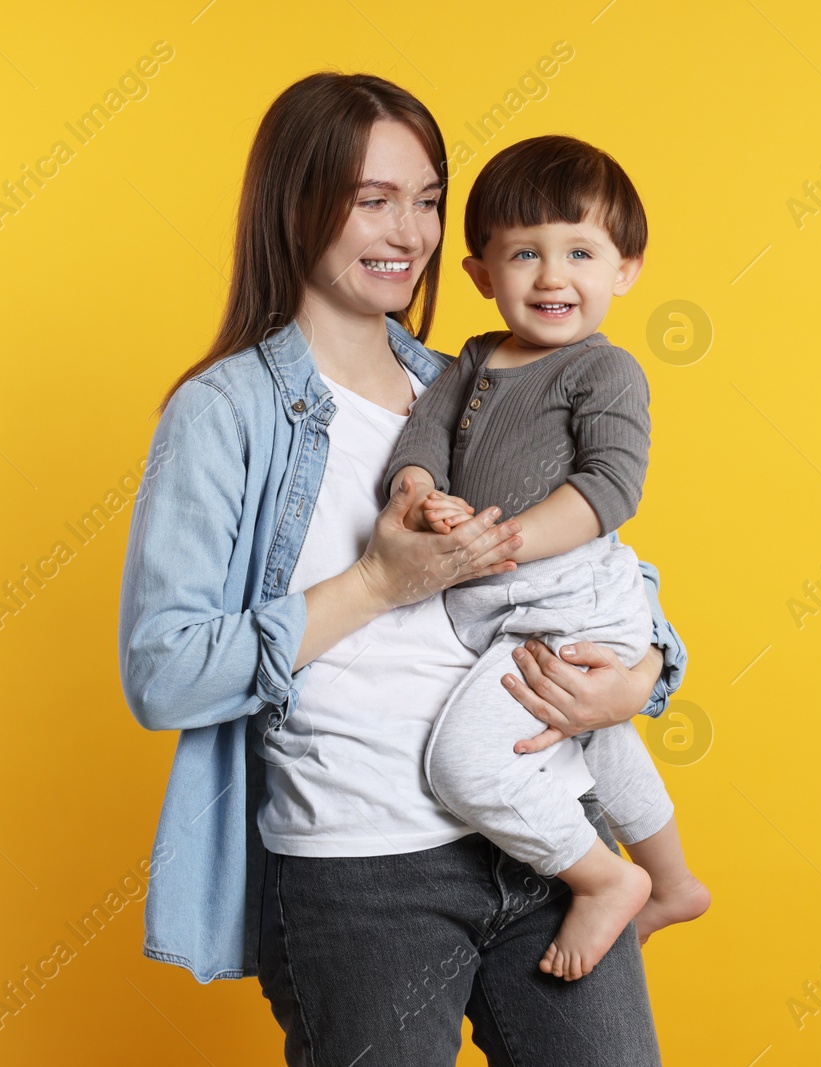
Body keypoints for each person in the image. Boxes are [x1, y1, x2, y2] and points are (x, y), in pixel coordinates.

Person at [117, 72, 687, 1066]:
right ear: (297, 206)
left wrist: (643, 673)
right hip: (362, 873)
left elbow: (597, 554)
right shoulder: (226, 414)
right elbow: (164, 673)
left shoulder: (474, 380)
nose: (409, 232)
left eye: (426, 199)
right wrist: (377, 582)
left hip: (546, 834)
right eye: (372, 198)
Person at [386, 134, 710, 984]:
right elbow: (421, 439)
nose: (552, 275)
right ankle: (673, 881)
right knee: (588, 735)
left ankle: (606, 878)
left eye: (580, 252)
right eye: (524, 252)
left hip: (570, 597)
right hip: (505, 602)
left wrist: (506, 540)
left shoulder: (605, 370)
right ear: (481, 273)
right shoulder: (473, 360)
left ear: (626, 269)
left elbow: (612, 485)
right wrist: (422, 491)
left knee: (467, 759)